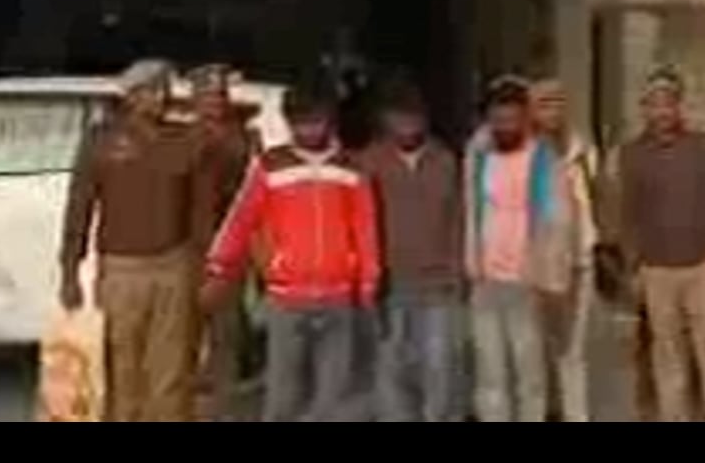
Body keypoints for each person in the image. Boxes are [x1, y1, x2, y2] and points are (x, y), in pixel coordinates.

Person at [204, 84, 381, 422]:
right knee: (284, 393)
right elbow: (241, 219)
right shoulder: (271, 166)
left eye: (317, 122)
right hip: (287, 297)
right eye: (301, 123)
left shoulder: (351, 168)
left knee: (334, 396)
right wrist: (219, 266)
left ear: (330, 121)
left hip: (339, 297)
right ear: (289, 123)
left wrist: (368, 280)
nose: (310, 130)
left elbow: (365, 226)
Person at [58, 59, 214, 422]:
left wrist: (205, 267)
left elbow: (201, 213)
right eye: (150, 90)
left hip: (174, 267)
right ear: (130, 96)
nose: (161, 97)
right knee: (121, 366)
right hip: (121, 270)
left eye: (164, 89)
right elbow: (80, 206)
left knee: (171, 368)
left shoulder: (185, 139)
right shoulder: (101, 140)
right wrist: (69, 272)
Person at [617, 66, 705, 423]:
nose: (661, 111)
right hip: (656, 269)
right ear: (644, 108)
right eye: (653, 104)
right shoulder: (632, 154)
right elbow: (629, 213)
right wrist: (633, 266)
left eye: (667, 103)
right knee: (668, 355)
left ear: (678, 106)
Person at [462, 75, 577, 423]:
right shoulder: (478, 157)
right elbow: (470, 210)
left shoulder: (544, 159)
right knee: (490, 373)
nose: (505, 127)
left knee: (530, 375)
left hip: (527, 280)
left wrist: (551, 274)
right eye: (499, 120)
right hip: (486, 279)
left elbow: (560, 220)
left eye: (512, 120)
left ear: (525, 118)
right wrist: (470, 262)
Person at [358, 78, 465, 422]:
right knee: (390, 370)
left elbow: (458, 218)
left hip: (438, 285)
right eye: (398, 116)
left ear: (425, 118)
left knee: (439, 368)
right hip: (388, 285)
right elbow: (359, 223)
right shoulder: (368, 161)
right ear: (385, 119)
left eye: (413, 116)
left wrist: (457, 270)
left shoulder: (444, 159)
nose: (407, 124)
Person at [528, 75, 599, 423]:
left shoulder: (583, 151)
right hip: (536, 265)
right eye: (543, 103)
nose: (552, 110)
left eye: (557, 101)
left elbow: (597, 200)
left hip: (580, 263)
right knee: (535, 352)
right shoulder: (523, 154)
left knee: (573, 351)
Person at [190, 63, 260, 419]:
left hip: (229, 242)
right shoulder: (181, 137)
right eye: (207, 95)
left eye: (220, 95)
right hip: (187, 244)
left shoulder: (244, 137)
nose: (214, 101)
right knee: (185, 328)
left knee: (226, 328)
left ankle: (223, 407)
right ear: (195, 99)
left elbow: (254, 190)